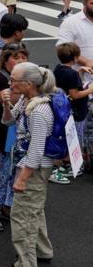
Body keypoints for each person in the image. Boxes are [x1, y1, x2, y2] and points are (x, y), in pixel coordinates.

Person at [0, 63, 58, 267]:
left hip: (33, 169)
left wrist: (22, 179)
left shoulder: (39, 111)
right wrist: (7, 104)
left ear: (29, 84)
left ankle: (26, 266)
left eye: (14, 80)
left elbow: (36, 150)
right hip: (30, 166)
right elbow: (8, 121)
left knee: (22, 215)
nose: (10, 83)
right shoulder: (27, 100)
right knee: (35, 210)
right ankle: (43, 251)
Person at [0, 43, 27, 231]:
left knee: (11, 172)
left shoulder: (24, 80)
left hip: (16, 135)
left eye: (24, 58)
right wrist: (26, 87)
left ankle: (7, 206)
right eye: (16, 58)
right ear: (6, 60)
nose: (21, 61)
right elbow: (10, 101)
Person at [52, 42, 92, 184]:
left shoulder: (58, 69)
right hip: (77, 111)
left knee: (65, 137)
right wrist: (90, 90)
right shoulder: (72, 74)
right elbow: (75, 94)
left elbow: (67, 85)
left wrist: (80, 71)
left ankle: (65, 163)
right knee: (74, 139)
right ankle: (69, 165)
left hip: (64, 110)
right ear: (75, 58)